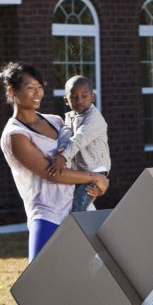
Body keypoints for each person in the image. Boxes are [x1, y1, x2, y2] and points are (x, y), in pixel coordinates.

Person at [0, 61, 109, 305]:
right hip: (47, 215)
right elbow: (52, 173)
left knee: (89, 280)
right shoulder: (15, 136)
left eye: (39, 88)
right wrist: (95, 177)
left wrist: (99, 181)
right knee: (36, 287)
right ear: (12, 91)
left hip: (79, 209)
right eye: (29, 88)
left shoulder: (58, 121)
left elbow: (81, 157)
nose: (37, 94)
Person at [46, 75, 111, 212]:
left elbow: (79, 139)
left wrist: (63, 157)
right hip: (82, 170)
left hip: (96, 169)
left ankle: (74, 230)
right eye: (74, 97)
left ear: (92, 97)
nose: (79, 100)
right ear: (66, 100)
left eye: (84, 96)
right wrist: (61, 147)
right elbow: (66, 133)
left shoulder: (94, 118)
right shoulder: (70, 116)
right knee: (72, 202)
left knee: (78, 207)